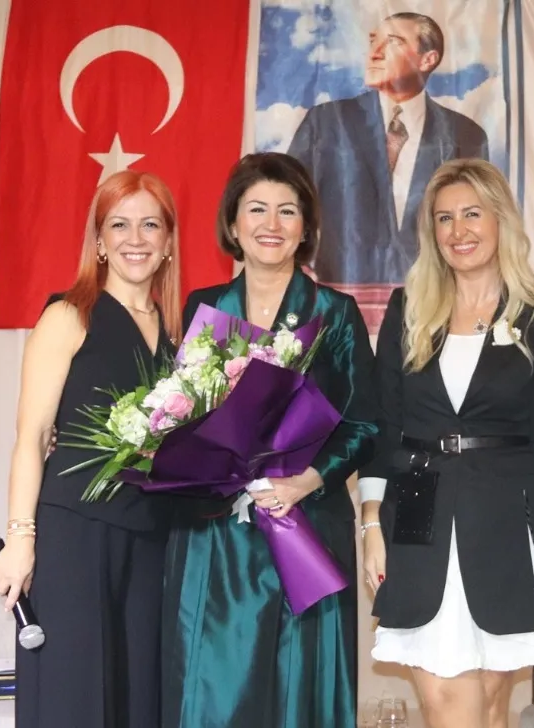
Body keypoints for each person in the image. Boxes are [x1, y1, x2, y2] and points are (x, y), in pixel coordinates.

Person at [161, 152, 378, 728]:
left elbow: (365, 422)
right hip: (216, 534)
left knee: (298, 692)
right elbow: (177, 413)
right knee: (213, 689)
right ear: (233, 224)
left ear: (305, 228)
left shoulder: (334, 313)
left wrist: (306, 481)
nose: (271, 224)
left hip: (305, 524)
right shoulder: (203, 306)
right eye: (257, 209)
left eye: (288, 211)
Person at [359, 159, 534, 728]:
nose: (458, 231)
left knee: (493, 701)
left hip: (509, 520)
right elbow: (386, 427)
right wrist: (371, 523)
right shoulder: (409, 309)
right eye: (444, 218)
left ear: (501, 219)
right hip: (417, 507)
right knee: (444, 699)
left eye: (472, 214)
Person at [0, 170, 182, 727]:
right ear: (99, 241)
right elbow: (31, 437)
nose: (135, 239)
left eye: (150, 225)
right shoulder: (69, 315)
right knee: (73, 701)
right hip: (75, 535)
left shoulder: (179, 338)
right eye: (119, 225)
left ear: (168, 241)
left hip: (151, 539)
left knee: (138, 702)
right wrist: (20, 539)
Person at [287, 11, 490, 329]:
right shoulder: (325, 123)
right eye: (373, 41)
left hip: (431, 316)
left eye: (392, 42)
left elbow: (481, 226)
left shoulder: (466, 135)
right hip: (335, 317)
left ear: (428, 59)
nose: (375, 52)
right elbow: (288, 206)